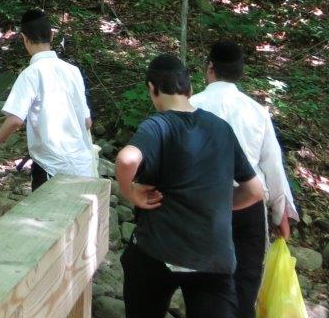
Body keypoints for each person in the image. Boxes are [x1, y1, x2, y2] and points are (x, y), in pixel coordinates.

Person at [116, 53, 265, 318]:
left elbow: (127, 159)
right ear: (190, 89)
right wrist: (215, 203)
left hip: (158, 250)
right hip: (213, 257)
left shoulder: (158, 125)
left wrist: (130, 192)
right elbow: (254, 191)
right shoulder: (221, 128)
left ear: (152, 88)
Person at [192, 41, 299, 318]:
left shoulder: (192, 106)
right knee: (245, 285)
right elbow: (273, 166)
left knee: (204, 287)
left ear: (210, 67)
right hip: (249, 204)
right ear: (240, 72)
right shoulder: (256, 111)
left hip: (203, 206)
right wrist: (281, 213)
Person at [0, 9, 95, 189]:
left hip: (50, 166)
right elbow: (87, 122)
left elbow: (15, 120)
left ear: (24, 38)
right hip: (82, 165)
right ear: (51, 35)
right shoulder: (73, 71)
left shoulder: (30, 74)